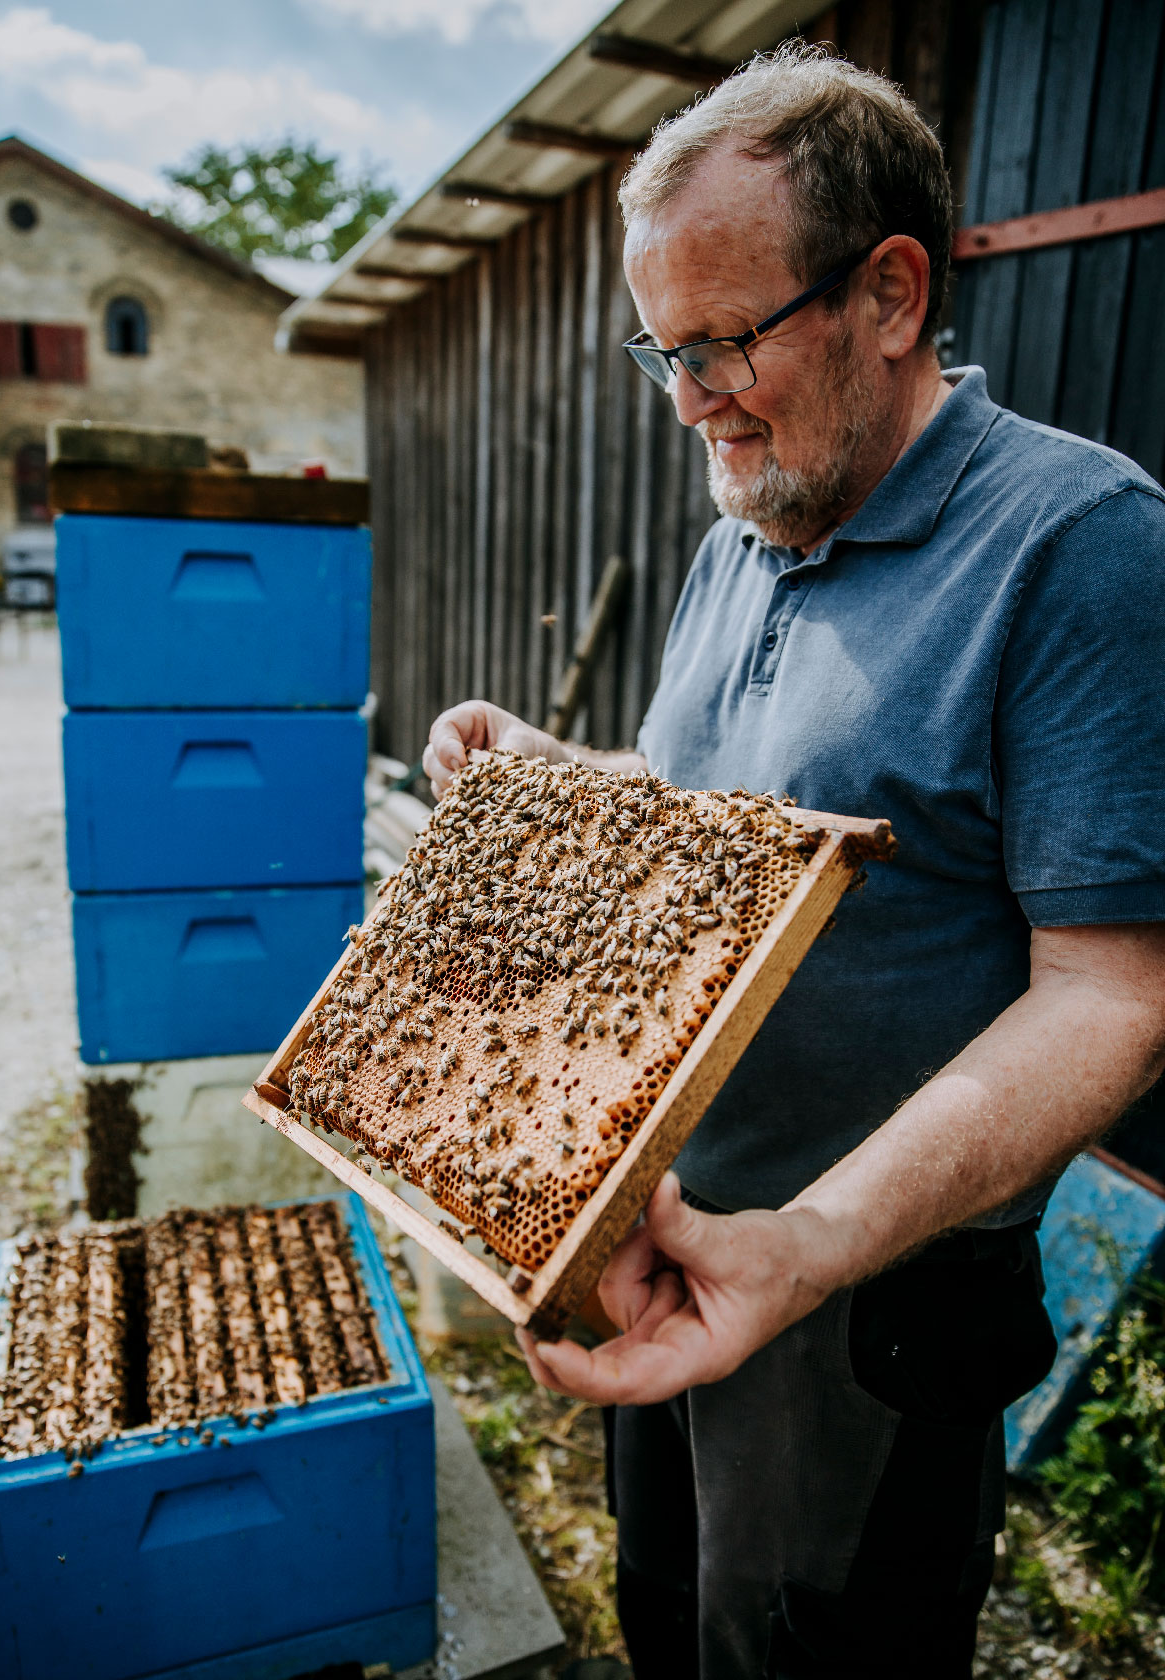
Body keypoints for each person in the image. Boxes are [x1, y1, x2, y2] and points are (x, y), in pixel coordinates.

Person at [422, 43, 1165, 1680]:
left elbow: (1113, 995)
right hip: (661, 1232)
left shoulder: (1078, 544)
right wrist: (560, 782)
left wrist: (814, 1237)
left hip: (872, 1307)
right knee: (672, 1628)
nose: (691, 400)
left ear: (891, 294)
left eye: (726, 343)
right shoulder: (735, 538)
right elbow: (719, 811)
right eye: (662, 353)